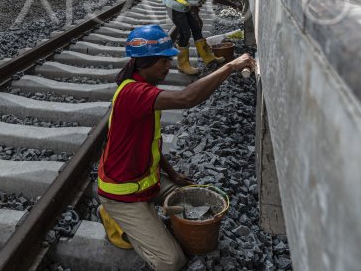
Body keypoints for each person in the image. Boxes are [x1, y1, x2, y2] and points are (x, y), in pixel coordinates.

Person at [97, 24, 256, 271]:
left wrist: (172, 174)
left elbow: (149, 142)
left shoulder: (143, 89)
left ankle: (148, 219)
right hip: (122, 194)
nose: (168, 66)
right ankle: (116, 219)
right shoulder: (133, 93)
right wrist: (229, 66)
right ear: (148, 63)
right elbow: (187, 99)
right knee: (171, 262)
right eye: (165, 61)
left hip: (147, 180)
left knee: (197, 195)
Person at [163, 0, 242, 76]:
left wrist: (196, 15)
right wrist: (233, 5)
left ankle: (208, 58)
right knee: (185, 33)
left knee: (196, 28)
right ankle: (182, 64)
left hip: (184, 3)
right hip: (174, 3)